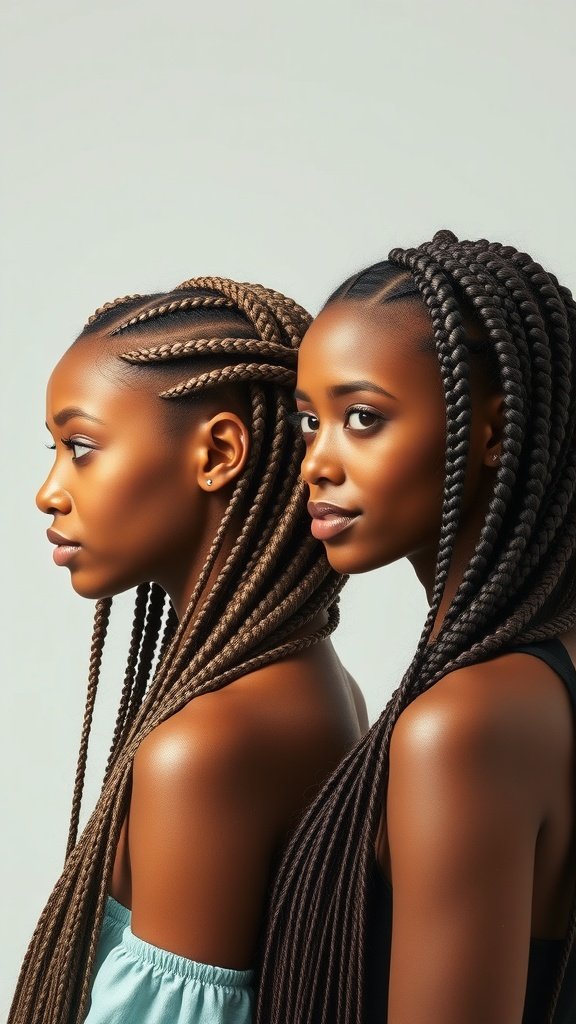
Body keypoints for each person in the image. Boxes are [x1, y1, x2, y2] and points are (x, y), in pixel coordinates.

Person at [9, 277, 367, 1024]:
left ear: (219, 452)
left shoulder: (205, 748)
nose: (49, 491)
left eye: (81, 448)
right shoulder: (320, 683)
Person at [257, 232, 576, 1024]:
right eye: (308, 422)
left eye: (363, 417)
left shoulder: (464, 727)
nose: (316, 464)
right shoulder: (540, 675)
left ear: (493, 433)